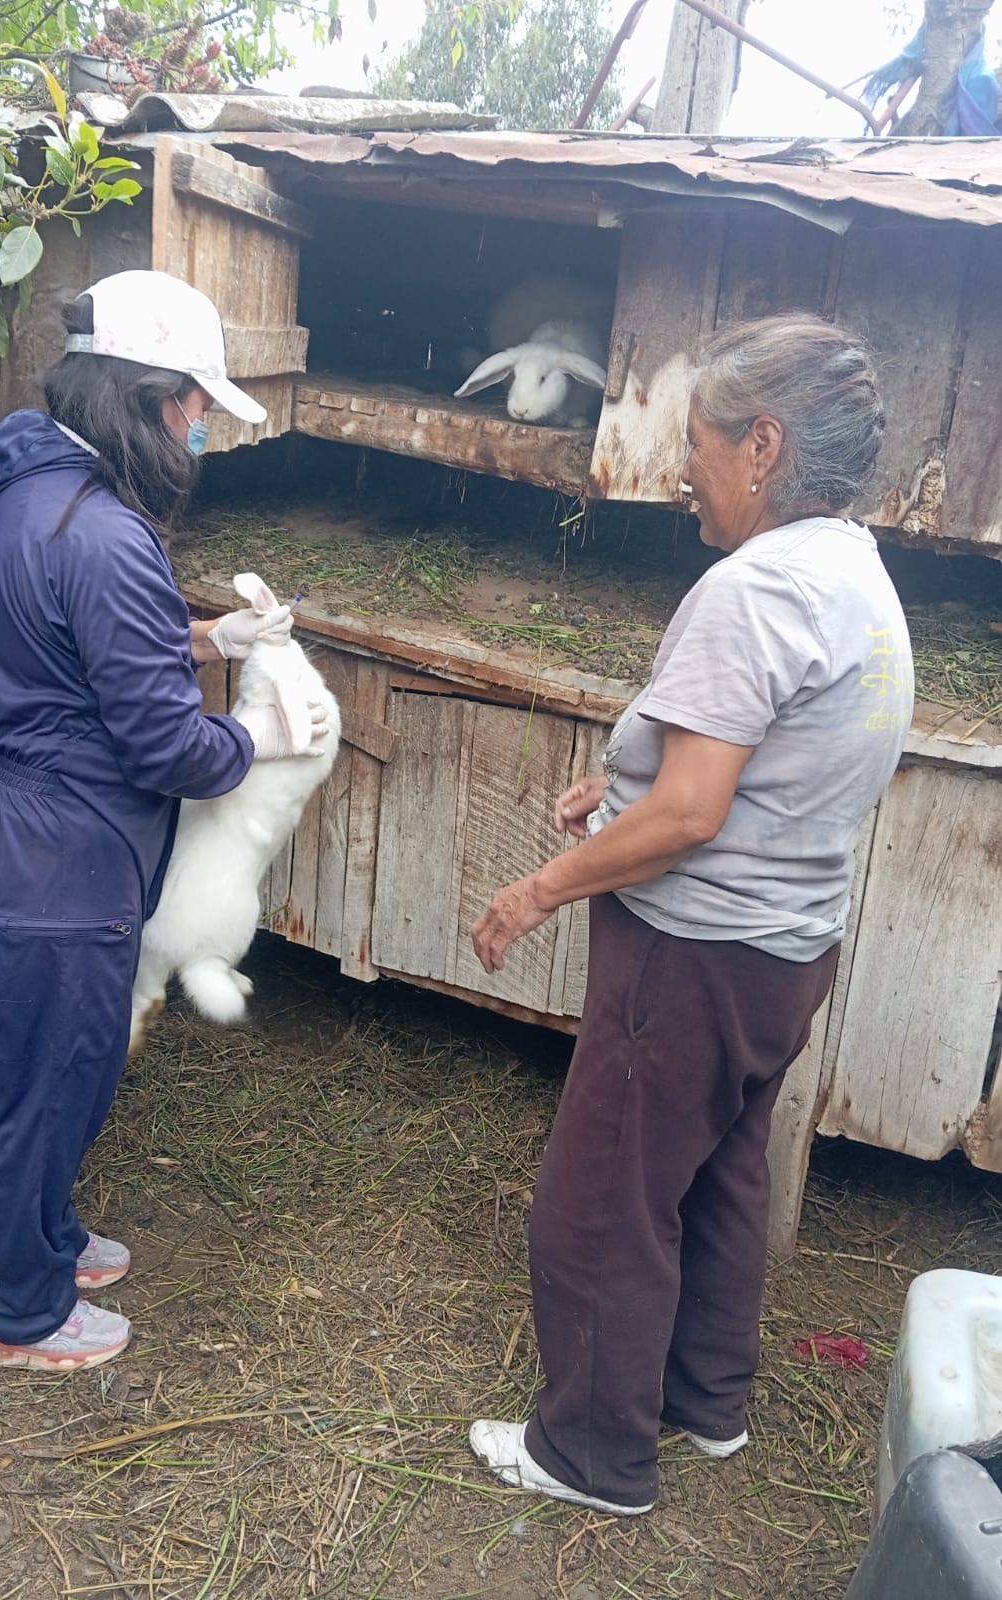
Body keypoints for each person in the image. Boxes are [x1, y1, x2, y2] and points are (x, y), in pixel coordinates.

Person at [468, 315, 914, 1515]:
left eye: (703, 445)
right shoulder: (855, 575)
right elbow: (743, 763)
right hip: (787, 951)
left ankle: (593, 1455)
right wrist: (624, 784)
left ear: (763, 446)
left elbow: (693, 814)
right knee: (717, 1171)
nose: (684, 473)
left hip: (692, 954)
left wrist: (538, 888)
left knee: (604, 1196)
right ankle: (705, 1400)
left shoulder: (753, 586)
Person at [0, 270, 327, 1374]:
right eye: (198, 405)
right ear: (150, 397)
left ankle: (46, 1239)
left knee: (34, 1060)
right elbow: (167, 748)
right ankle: (10, 1309)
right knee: (44, 1072)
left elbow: (69, 646)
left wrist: (205, 641)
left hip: (4, 812)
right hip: (58, 845)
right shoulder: (106, 534)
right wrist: (266, 739)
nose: (203, 427)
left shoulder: (23, 485)